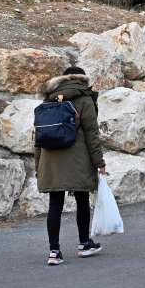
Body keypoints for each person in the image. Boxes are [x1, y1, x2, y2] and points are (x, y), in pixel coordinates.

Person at [35, 66, 106, 266]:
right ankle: (84, 243)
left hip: (50, 159)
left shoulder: (48, 99)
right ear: (82, 80)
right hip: (78, 159)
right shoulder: (84, 99)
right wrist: (99, 163)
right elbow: (92, 135)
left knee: (55, 204)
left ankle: (54, 251)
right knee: (82, 199)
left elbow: (38, 136)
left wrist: (38, 164)